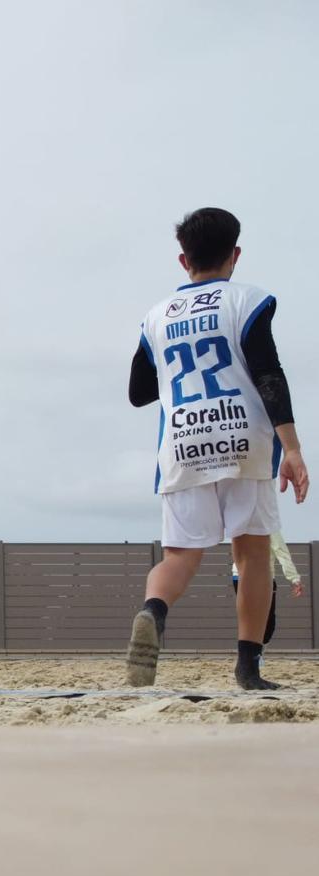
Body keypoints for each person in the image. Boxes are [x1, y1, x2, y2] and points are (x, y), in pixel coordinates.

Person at [126, 208, 309, 690]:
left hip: (182, 440)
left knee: (180, 556)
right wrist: (291, 448)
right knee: (251, 554)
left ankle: (152, 611)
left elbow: (139, 391)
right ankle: (248, 668)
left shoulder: (156, 316)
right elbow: (269, 373)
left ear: (183, 259)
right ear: (236, 254)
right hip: (243, 436)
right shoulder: (248, 301)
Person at [230, 530, 304, 657]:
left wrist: (294, 578)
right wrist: (295, 579)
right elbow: (282, 553)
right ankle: (251, 658)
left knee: (261, 621)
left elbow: (281, 552)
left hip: (253, 577)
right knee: (258, 620)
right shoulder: (249, 526)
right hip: (245, 576)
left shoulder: (268, 529)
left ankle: (254, 655)